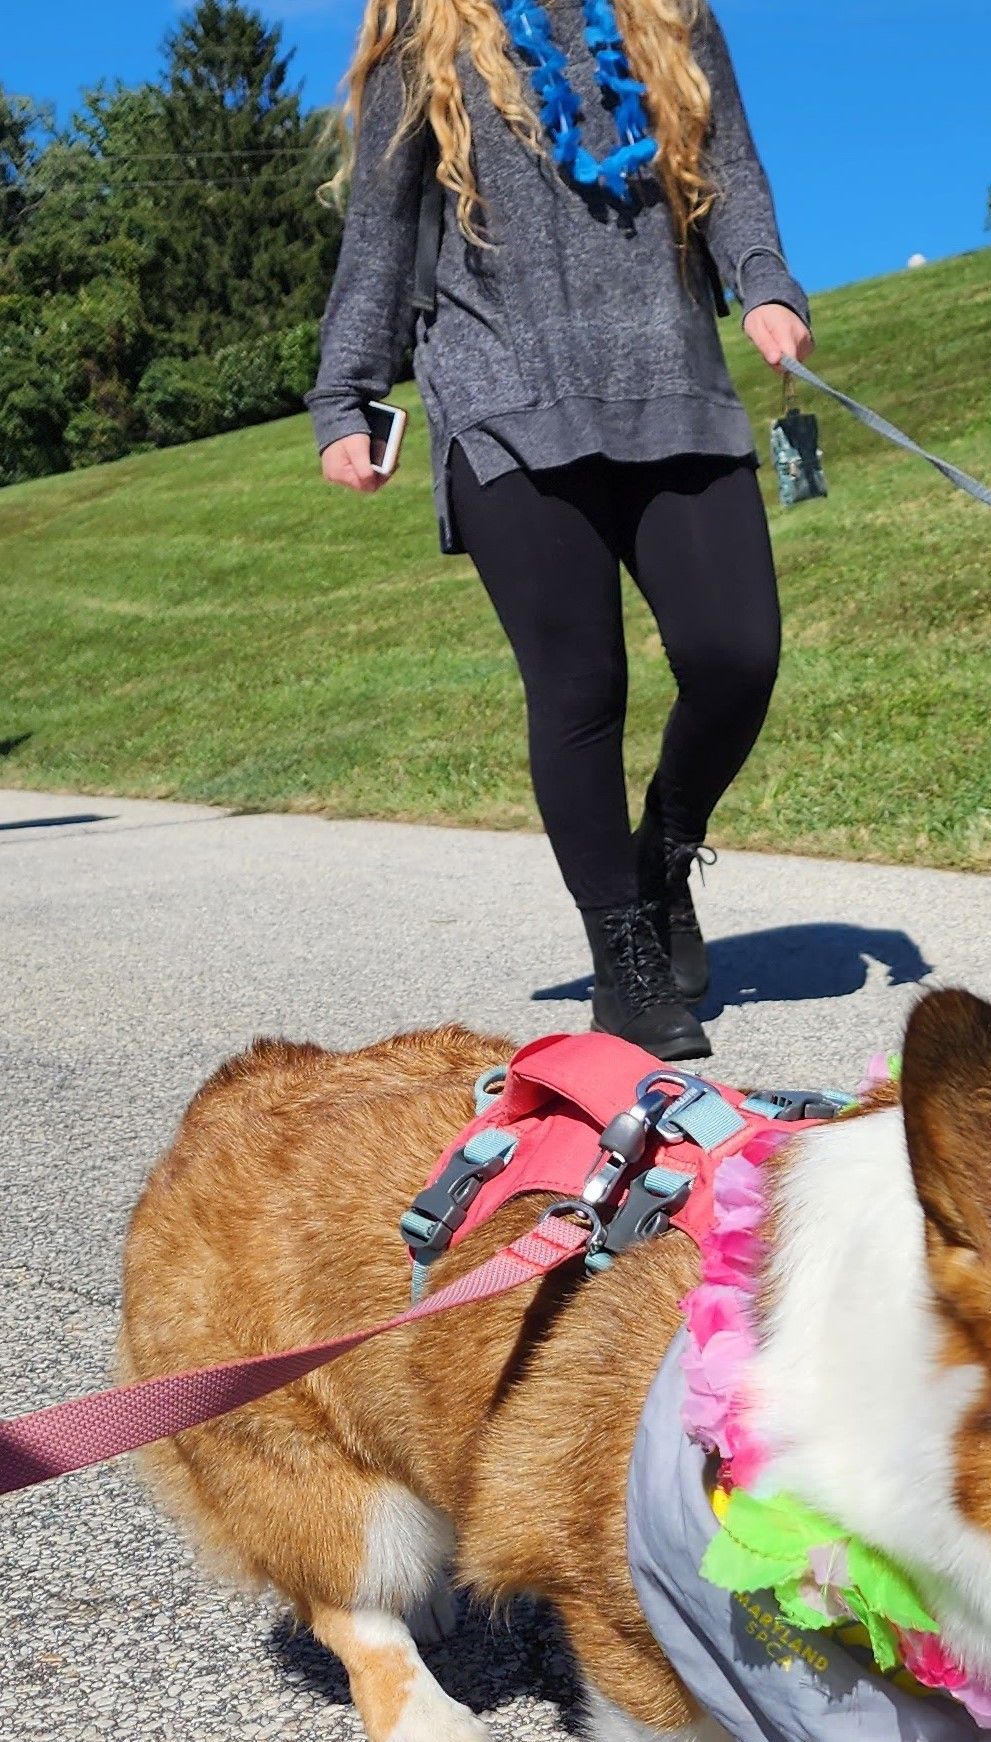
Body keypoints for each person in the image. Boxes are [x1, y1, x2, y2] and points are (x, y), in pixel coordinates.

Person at [307, 0, 813, 1060]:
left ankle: (662, 860)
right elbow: (386, 226)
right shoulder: (423, 29)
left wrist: (761, 281)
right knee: (581, 686)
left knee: (737, 653)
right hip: (505, 395)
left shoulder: (670, 15)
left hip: (670, 381)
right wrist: (345, 394)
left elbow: (730, 172)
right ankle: (624, 958)